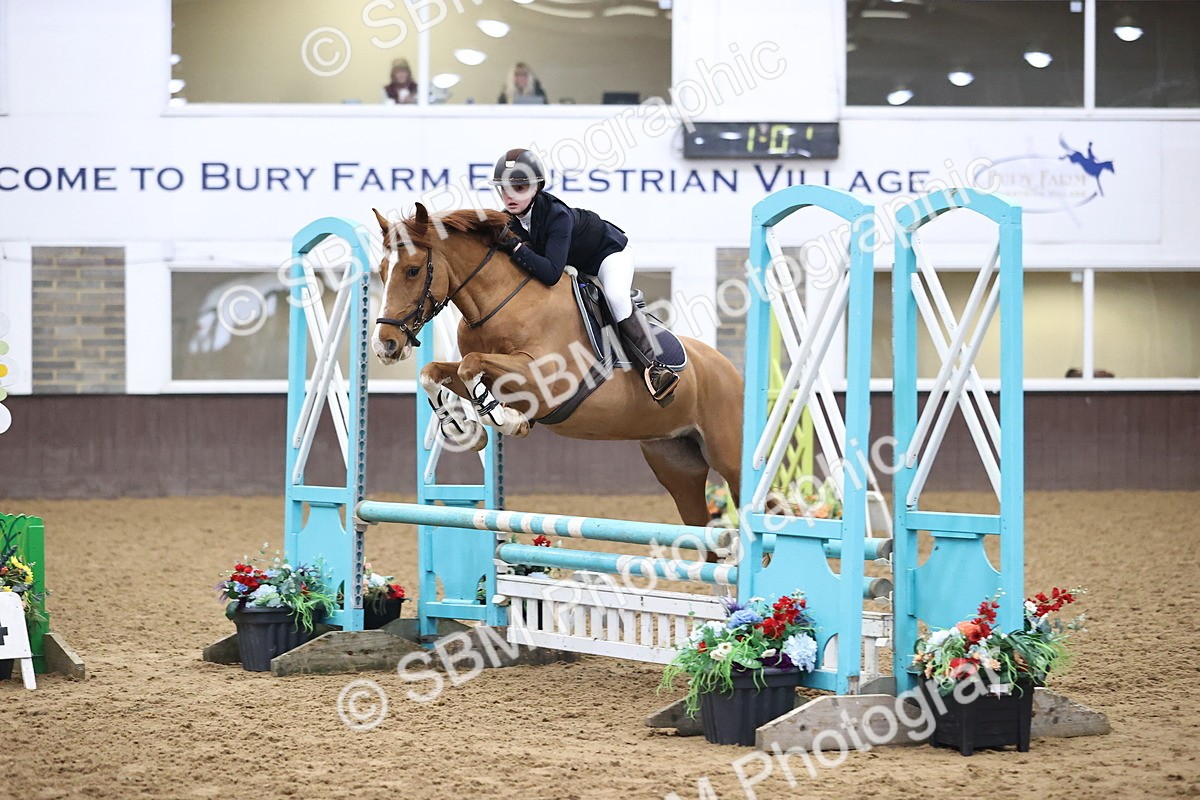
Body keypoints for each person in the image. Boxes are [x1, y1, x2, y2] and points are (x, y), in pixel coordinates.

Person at [490, 148, 679, 401]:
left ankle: (655, 367)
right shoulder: (508, 220)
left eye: (520, 189)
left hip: (608, 255)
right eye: (504, 189)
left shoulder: (557, 215)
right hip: (576, 265)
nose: (509, 196)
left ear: (538, 188)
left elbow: (549, 274)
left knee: (615, 297)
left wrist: (514, 247)